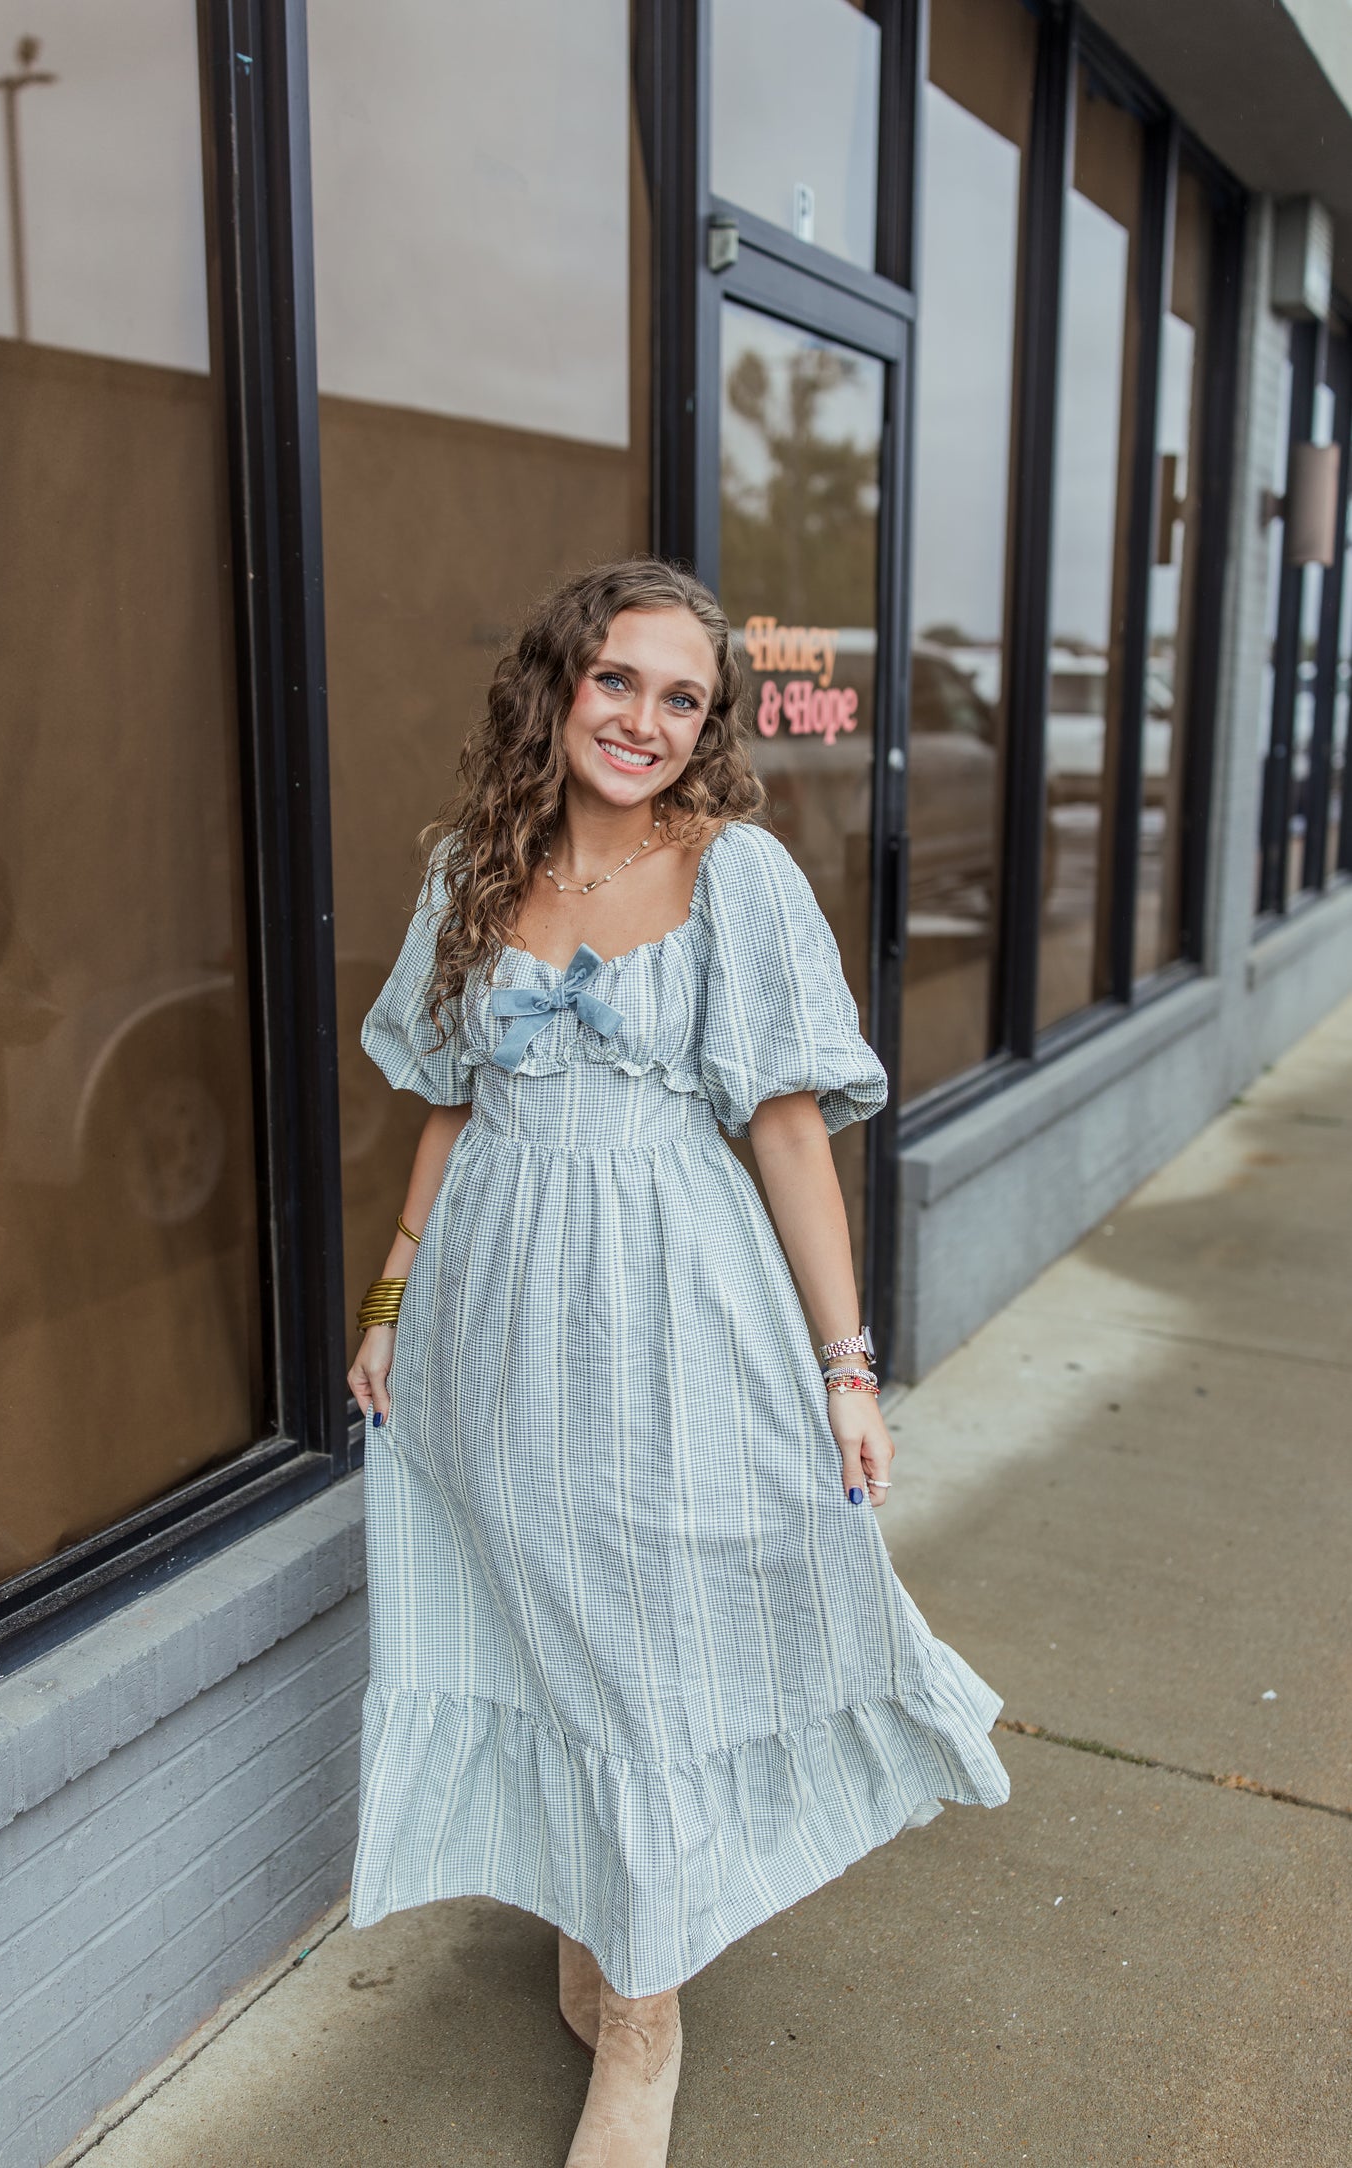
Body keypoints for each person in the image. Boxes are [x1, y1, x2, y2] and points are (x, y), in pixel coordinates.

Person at [347, 558, 1009, 2167]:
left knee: (650, 1634)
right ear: (558, 684)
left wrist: (845, 1367)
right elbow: (448, 1107)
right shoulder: (471, 866)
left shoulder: (736, 876)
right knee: (547, 1625)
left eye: (682, 698)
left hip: (671, 1311)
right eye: (617, 681)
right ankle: (605, 1916)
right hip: (494, 1315)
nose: (643, 720)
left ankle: (643, 2025)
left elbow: (785, 1133)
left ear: (709, 726)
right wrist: (389, 1302)